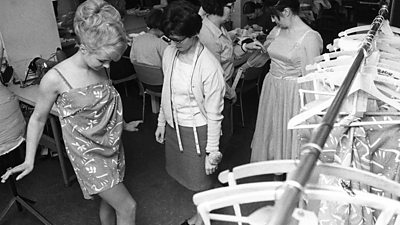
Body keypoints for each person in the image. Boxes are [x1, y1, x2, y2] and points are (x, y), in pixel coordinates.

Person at [1, 0, 137, 224]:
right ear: (83, 48)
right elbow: (37, 119)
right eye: (103, 60)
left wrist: (123, 124)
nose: (107, 66)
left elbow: (103, 105)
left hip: (112, 146)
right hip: (88, 156)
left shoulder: (101, 64)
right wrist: (29, 158)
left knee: (109, 203)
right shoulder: (55, 78)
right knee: (128, 206)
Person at [154, 1, 225, 225]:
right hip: (177, 126)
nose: (174, 45)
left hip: (199, 129)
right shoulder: (169, 52)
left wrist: (212, 150)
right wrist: (161, 122)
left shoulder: (209, 66)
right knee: (189, 179)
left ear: (194, 33)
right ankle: (203, 214)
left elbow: (214, 114)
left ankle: (201, 219)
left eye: (178, 40)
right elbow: (168, 89)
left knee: (202, 181)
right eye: (170, 39)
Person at [250, 0, 323, 162]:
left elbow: (311, 78)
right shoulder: (277, 31)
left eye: (275, 17)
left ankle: (288, 171)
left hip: (292, 93)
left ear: (287, 12)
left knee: (288, 133)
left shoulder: (309, 37)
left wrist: (312, 113)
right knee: (271, 131)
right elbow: (267, 53)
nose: (273, 21)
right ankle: (274, 168)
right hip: (271, 87)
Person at [198, 0, 263, 152]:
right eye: (229, 6)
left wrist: (245, 46)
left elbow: (228, 54)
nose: (233, 10)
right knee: (220, 133)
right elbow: (213, 74)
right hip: (218, 89)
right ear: (216, 6)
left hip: (224, 85)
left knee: (225, 132)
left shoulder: (219, 28)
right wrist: (230, 92)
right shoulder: (207, 35)